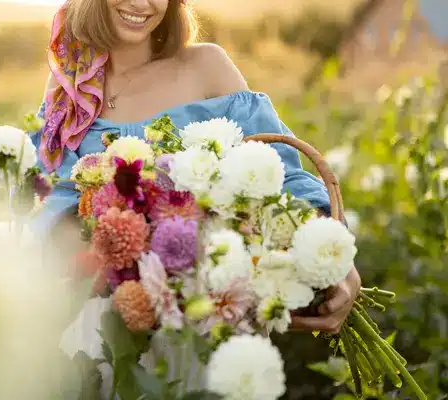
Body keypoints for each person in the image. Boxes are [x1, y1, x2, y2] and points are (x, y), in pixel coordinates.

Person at [29, 0, 361, 335]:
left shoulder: (206, 66)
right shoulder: (71, 83)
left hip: (209, 320)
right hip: (103, 325)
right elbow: (48, 204)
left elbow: (280, 173)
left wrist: (331, 252)